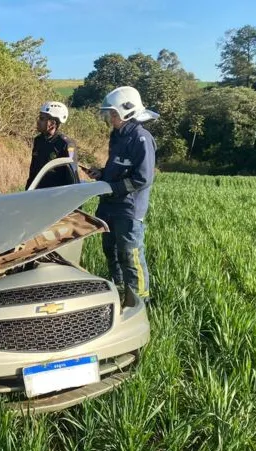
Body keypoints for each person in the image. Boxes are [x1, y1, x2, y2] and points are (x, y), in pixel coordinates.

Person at [86, 86, 158, 303]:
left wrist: (112, 187)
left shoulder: (141, 138)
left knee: (130, 255)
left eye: (114, 114)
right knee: (111, 250)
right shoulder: (117, 135)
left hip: (128, 209)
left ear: (128, 112)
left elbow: (142, 178)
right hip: (109, 206)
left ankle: (139, 301)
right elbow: (116, 167)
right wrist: (101, 173)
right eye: (110, 114)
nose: (111, 118)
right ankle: (117, 291)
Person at [25, 101, 79, 190]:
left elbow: (73, 175)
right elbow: (33, 170)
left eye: (42, 118)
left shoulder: (66, 144)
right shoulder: (38, 140)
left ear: (52, 124)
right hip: (36, 193)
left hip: (55, 195)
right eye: (39, 118)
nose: (38, 121)